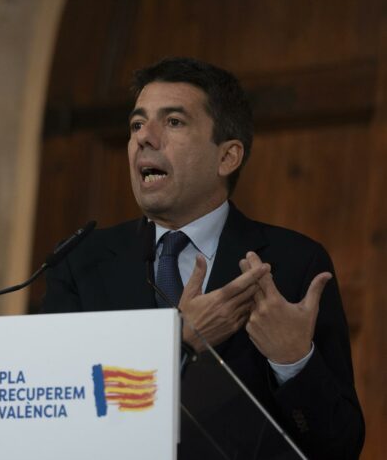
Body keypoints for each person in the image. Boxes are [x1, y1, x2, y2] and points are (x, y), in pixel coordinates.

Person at [42, 58, 364, 459]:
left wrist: (293, 360)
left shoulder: (294, 263)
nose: (145, 138)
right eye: (137, 124)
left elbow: (340, 447)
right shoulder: (81, 262)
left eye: (173, 122)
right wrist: (180, 340)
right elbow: (53, 416)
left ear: (227, 157)